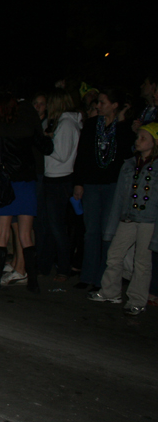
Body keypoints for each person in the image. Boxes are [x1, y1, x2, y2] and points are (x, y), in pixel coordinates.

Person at [0, 93, 52, 292]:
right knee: (26, 234)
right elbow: (46, 146)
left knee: (2, 234)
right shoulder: (24, 130)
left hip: (6, 184)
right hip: (26, 182)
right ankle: (33, 281)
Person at [89, 123, 158, 315]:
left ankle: (137, 300)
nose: (138, 141)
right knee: (115, 254)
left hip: (148, 219)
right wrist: (113, 223)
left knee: (142, 262)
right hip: (128, 217)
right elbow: (119, 196)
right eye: (138, 137)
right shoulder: (129, 164)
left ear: (155, 142)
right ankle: (110, 291)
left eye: (143, 138)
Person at [73, 89, 133, 291]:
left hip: (112, 186)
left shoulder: (122, 127)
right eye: (97, 102)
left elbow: (126, 151)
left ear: (115, 105)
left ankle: (102, 279)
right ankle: (87, 275)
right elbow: (81, 155)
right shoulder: (91, 125)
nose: (98, 106)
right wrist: (78, 182)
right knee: (91, 231)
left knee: (108, 233)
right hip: (91, 184)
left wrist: (123, 124)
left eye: (102, 102)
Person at [40, 91, 82, 282]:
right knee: (50, 226)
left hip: (60, 179)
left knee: (57, 227)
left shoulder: (66, 124)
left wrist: (46, 142)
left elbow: (62, 154)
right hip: (54, 178)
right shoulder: (62, 123)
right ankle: (45, 265)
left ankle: (63, 268)